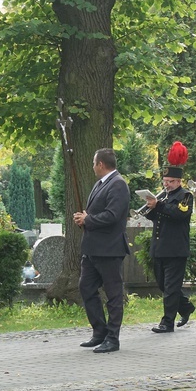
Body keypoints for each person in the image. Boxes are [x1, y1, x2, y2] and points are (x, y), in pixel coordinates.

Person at [75, 148, 130, 353]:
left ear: (100, 164)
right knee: (86, 287)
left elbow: (113, 215)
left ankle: (112, 338)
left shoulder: (118, 184)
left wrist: (88, 219)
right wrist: (84, 218)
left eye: (93, 163)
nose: (92, 166)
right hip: (92, 248)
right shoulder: (101, 184)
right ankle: (99, 331)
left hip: (109, 248)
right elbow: (98, 212)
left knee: (113, 293)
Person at [146, 141, 196, 333]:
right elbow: (154, 217)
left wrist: (158, 205)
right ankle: (186, 307)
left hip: (175, 250)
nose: (166, 184)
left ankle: (167, 322)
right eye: (165, 181)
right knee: (163, 285)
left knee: (171, 287)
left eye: (170, 182)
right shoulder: (164, 198)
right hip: (159, 248)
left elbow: (179, 214)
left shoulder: (185, 196)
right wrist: (150, 207)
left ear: (178, 181)